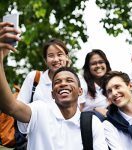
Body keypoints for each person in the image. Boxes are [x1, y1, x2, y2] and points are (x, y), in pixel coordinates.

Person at [0, 21, 109, 150]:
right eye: (57, 82)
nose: (63, 84)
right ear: (52, 93)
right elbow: (12, 107)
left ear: (80, 91)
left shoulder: (91, 124)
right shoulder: (39, 111)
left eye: (69, 81)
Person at [101, 71, 132, 150]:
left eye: (117, 87)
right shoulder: (108, 126)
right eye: (109, 91)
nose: (114, 93)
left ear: (130, 85)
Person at [17, 38, 71, 103]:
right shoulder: (34, 77)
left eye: (59, 54)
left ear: (66, 57)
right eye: (51, 56)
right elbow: (20, 104)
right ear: (45, 60)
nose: (56, 59)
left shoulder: (76, 80)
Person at [80, 49, 111, 116]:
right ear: (88, 67)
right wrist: (95, 110)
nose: (98, 65)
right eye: (93, 63)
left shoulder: (111, 82)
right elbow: (78, 111)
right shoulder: (83, 84)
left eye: (101, 62)